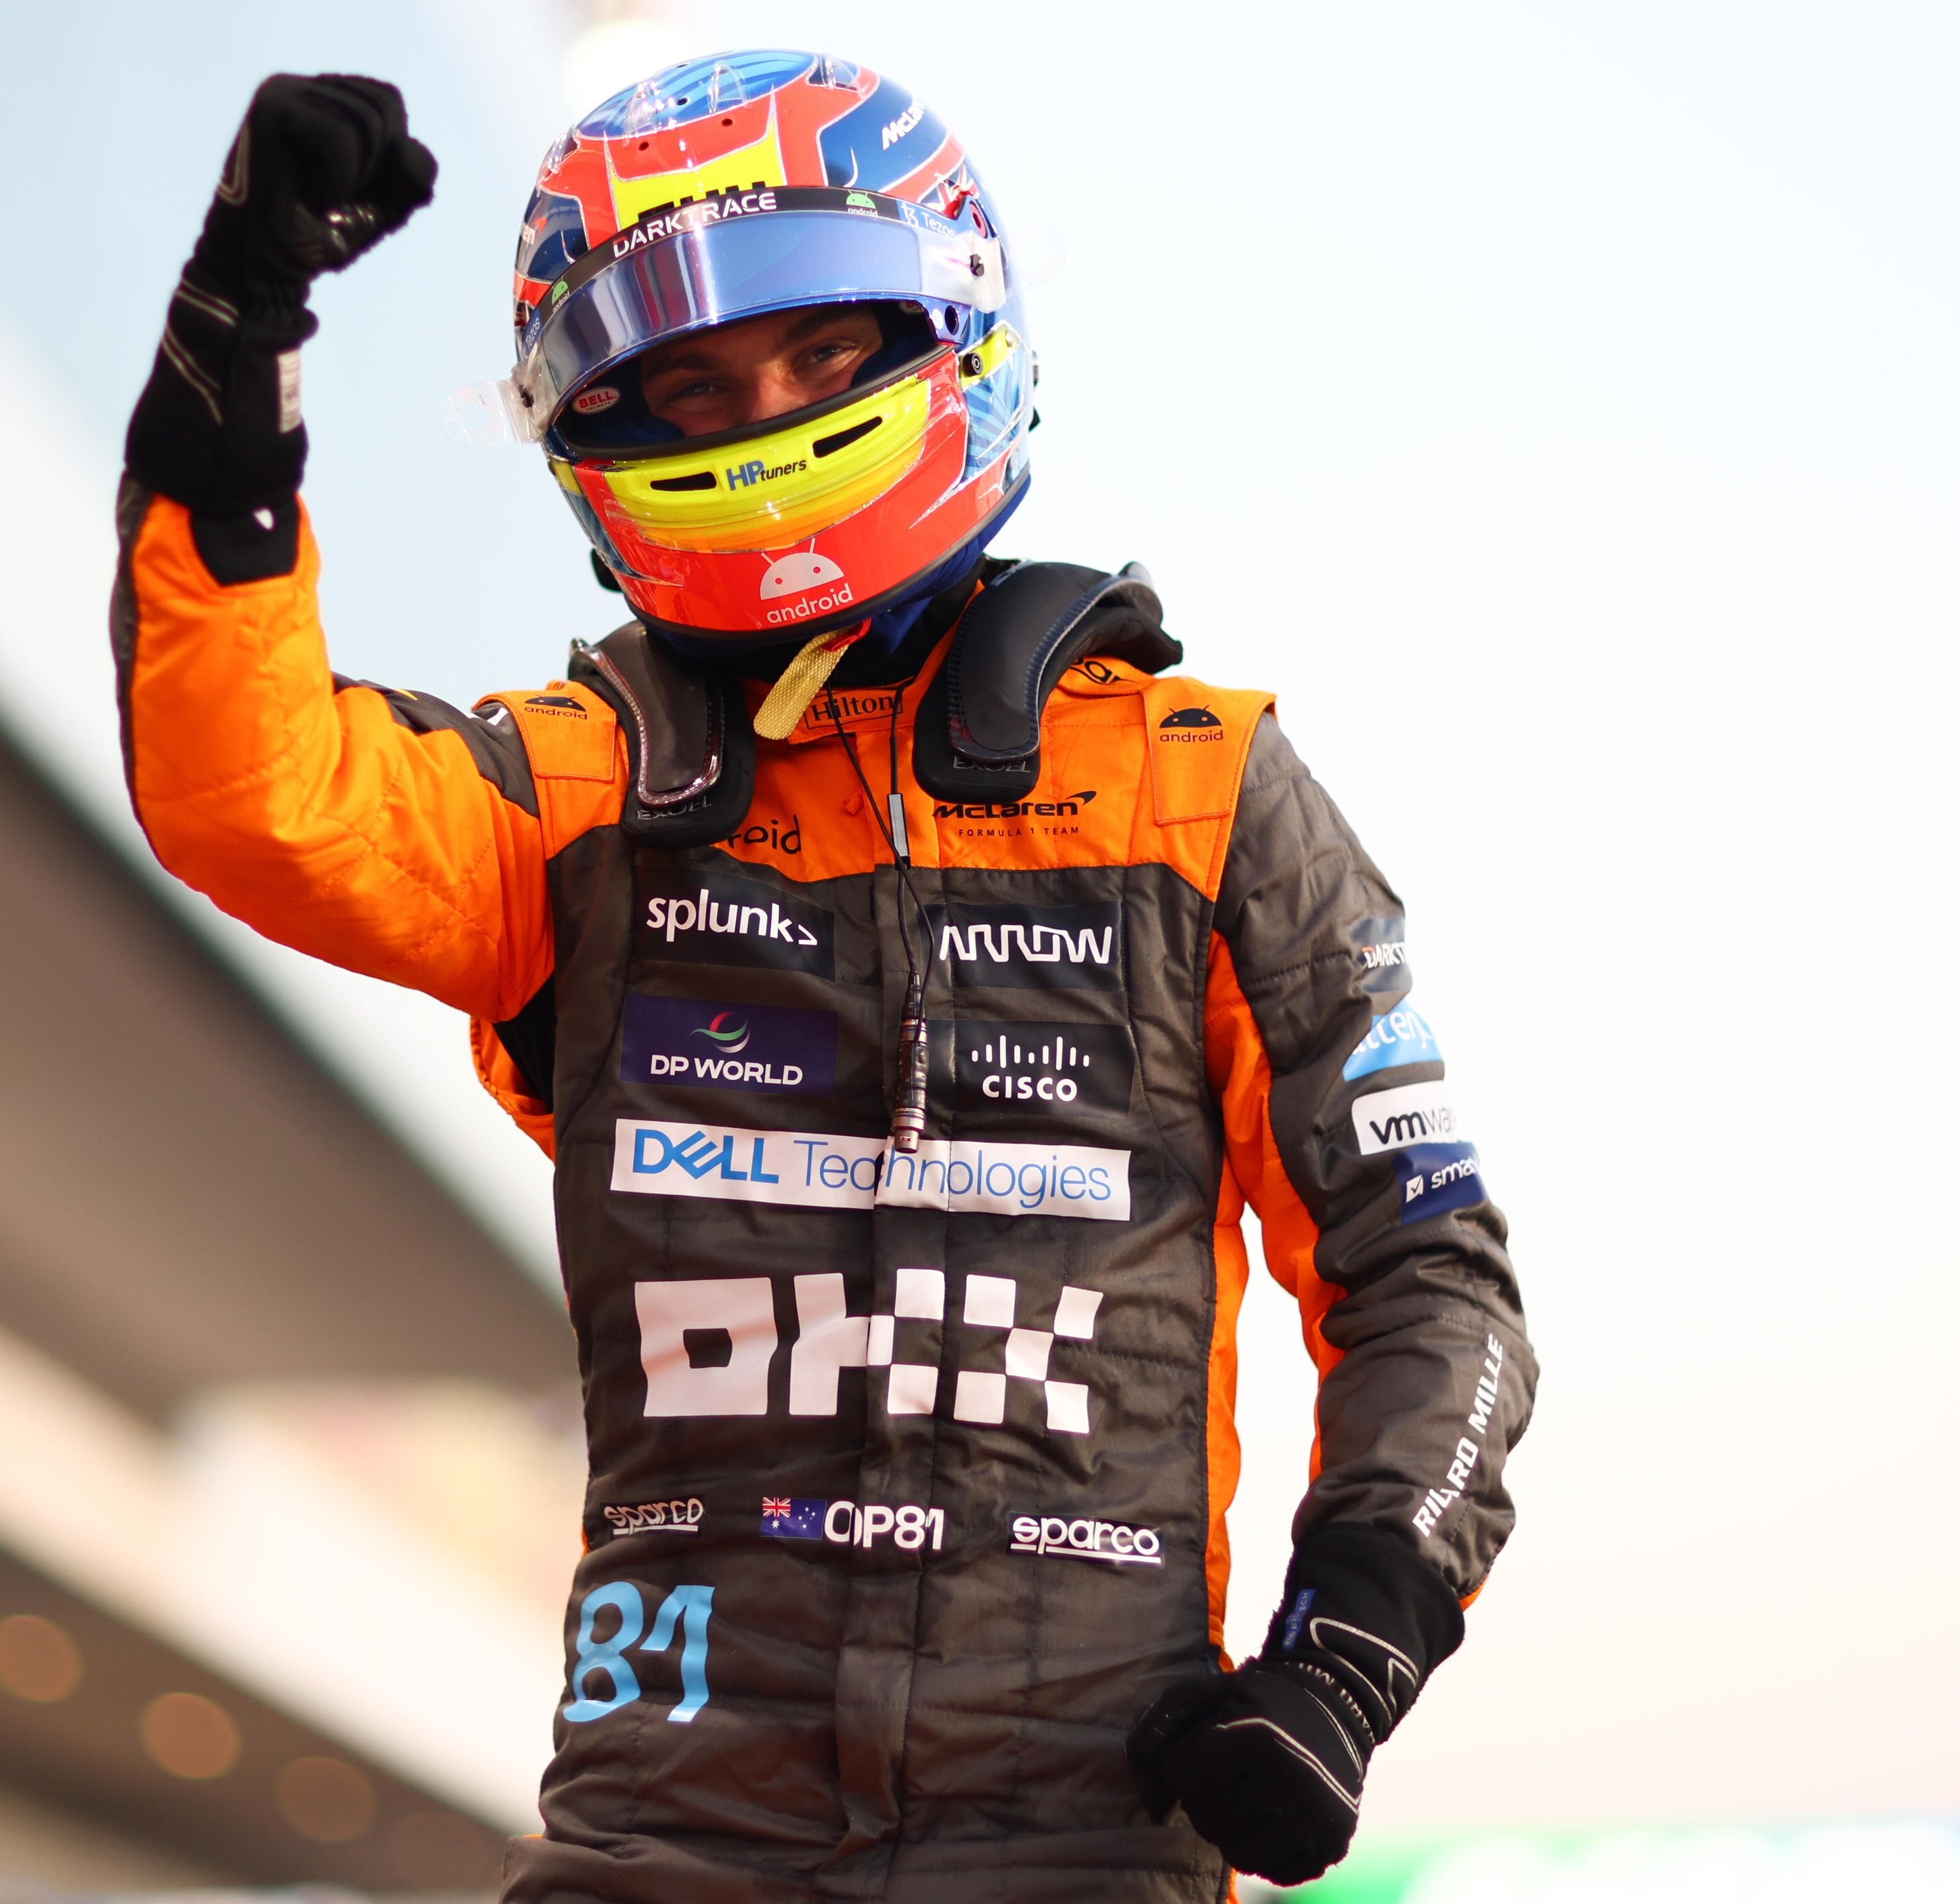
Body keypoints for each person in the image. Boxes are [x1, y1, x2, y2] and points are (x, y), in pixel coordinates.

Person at [111, 56, 1535, 1903]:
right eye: (688, 385)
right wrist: (238, 328)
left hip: (1087, 1835)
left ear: (953, 337)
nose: (761, 419)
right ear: (587, 428)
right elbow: (255, 796)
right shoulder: (588, 782)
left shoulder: (1201, 782)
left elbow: (1426, 1271)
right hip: (665, 1837)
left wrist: (1344, 1659)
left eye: (818, 354)